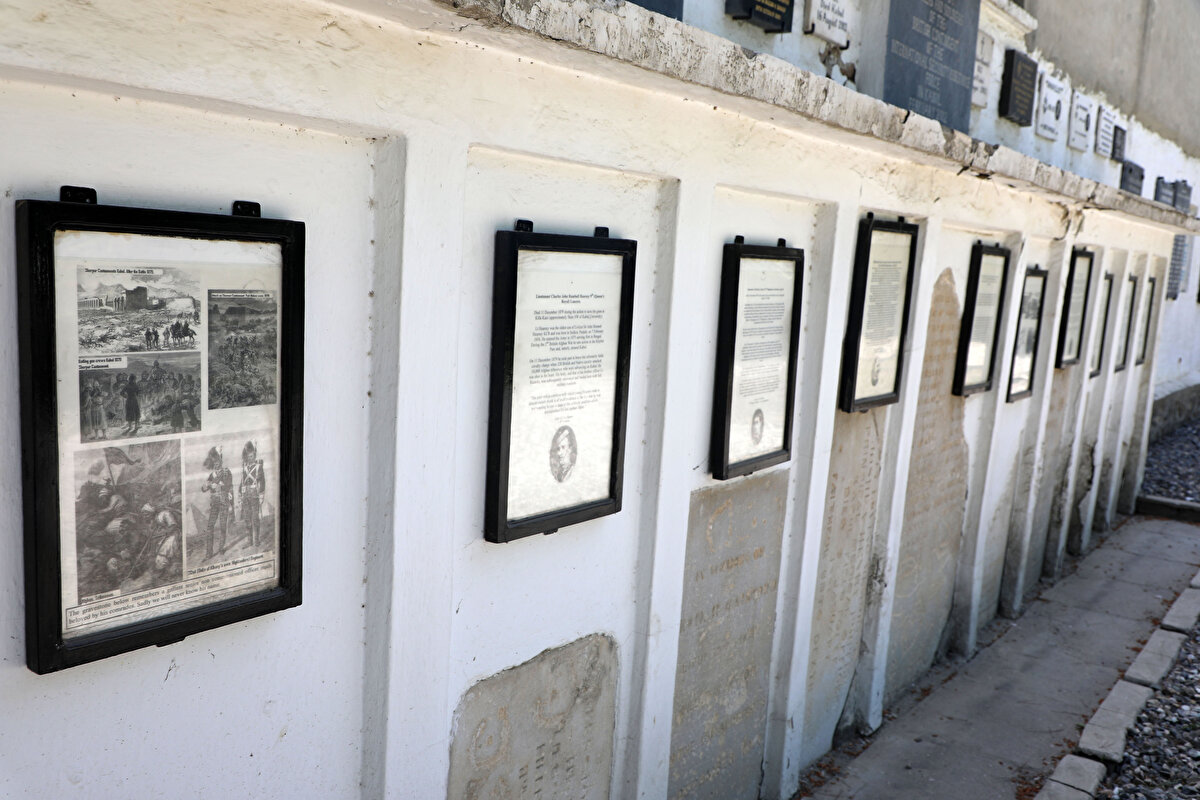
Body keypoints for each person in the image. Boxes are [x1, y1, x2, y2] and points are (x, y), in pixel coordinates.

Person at [201, 447, 233, 559]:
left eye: (218, 462)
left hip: (224, 501)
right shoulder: (211, 475)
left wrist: (219, 485)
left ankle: (221, 548)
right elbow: (204, 488)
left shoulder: (226, 472)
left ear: (221, 462)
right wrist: (207, 486)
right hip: (214, 503)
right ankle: (209, 553)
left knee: (223, 526)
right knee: (210, 527)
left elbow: (229, 486)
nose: (216, 464)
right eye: (214, 463)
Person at [239, 441, 266, 548]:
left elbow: (262, 481)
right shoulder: (244, 467)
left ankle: (256, 540)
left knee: (255, 519)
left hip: (254, 494)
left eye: (252, 456)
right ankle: (249, 541)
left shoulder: (258, 467)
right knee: (247, 519)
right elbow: (242, 482)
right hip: (245, 495)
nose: (250, 458)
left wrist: (261, 494)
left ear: (254, 455)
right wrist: (240, 494)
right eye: (248, 456)